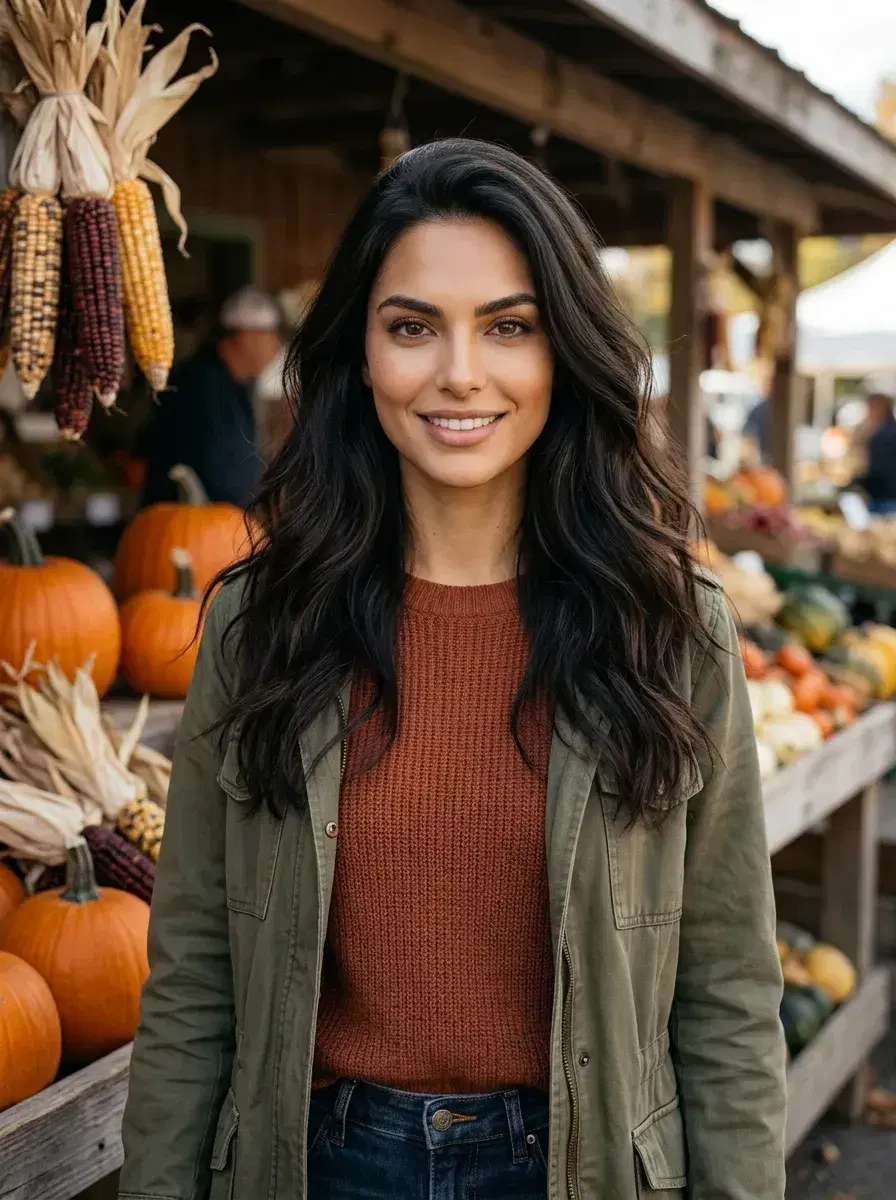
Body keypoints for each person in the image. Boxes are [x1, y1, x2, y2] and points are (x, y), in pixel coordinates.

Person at [119, 140, 786, 1200]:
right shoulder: (263, 626)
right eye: (412, 327)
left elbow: (728, 993)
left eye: (508, 327)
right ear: (360, 354)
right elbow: (195, 976)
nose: (459, 372)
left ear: (561, 350)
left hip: (580, 1164)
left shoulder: (668, 627)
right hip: (316, 1165)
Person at [137, 287, 283, 509]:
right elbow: (218, 472)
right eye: (271, 337)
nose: (276, 348)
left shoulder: (235, 386)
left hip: (219, 524)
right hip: (186, 527)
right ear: (247, 338)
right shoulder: (201, 384)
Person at [851, 390, 896, 515]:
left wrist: (857, 483)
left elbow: (877, 468)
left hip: (884, 497)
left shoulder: (881, 435)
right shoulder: (888, 431)